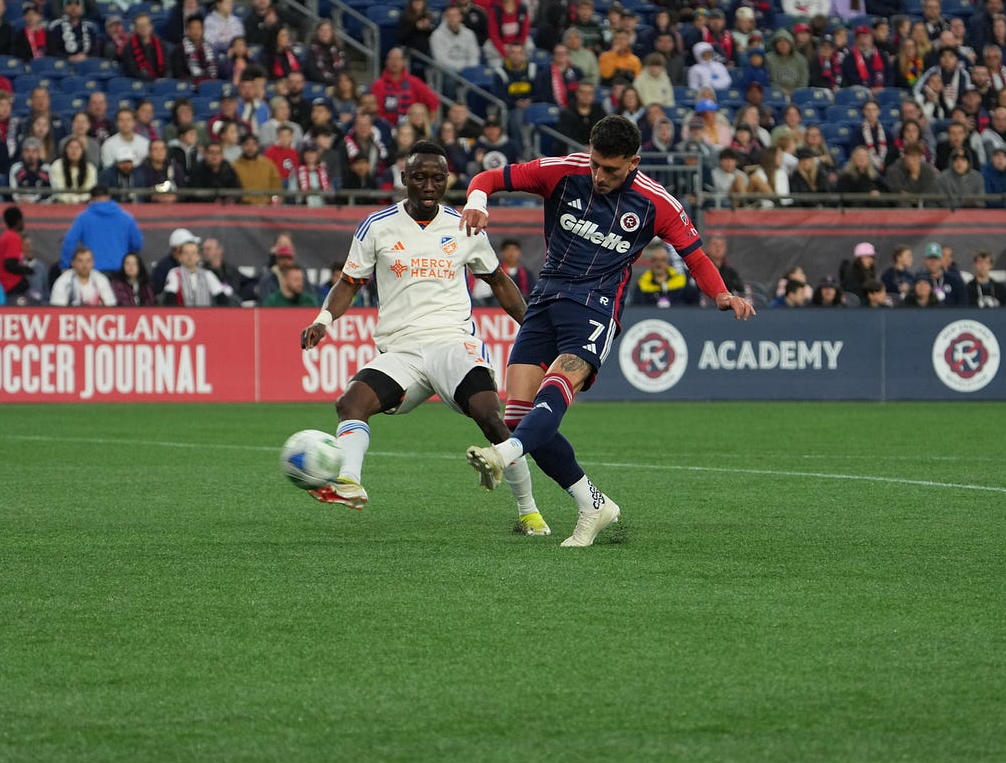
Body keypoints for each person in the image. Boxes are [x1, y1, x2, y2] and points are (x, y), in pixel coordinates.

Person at [459, 116, 755, 546]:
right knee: (518, 417)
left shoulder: (658, 204)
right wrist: (478, 201)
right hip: (544, 300)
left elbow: (695, 256)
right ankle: (593, 505)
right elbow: (488, 176)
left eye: (610, 169)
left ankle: (504, 454)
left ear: (633, 162)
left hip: (595, 306)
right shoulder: (562, 172)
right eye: (596, 164)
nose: (598, 175)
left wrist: (722, 294)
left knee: (554, 389)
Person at [298, 140, 543, 525]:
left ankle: (529, 513)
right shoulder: (377, 227)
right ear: (404, 179)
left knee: (491, 418)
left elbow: (497, 280)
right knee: (350, 404)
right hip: (402, 350)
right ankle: (348, 481)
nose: (428, 186)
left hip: (452, 342)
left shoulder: (464, 226)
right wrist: (323, 321)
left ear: (447, 180)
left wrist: (533, 329)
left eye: (437, 178)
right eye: (419, 178)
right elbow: (348, 282)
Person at [59, 184, 143, 272]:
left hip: (93, 272)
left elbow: (69, 241)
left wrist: (65, 264)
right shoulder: (126, 217)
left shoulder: (83, 218)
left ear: (91, 199)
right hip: (120, 270)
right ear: (109, 197)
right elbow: (137, 244)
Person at [50, 246, 116, 306]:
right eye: (80, 261)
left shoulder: (100, 279)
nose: (85, 265)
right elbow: (57, 308)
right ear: (73, 263)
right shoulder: (63, 281)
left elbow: (111, 304)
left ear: (93, 263)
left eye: (88, 261)